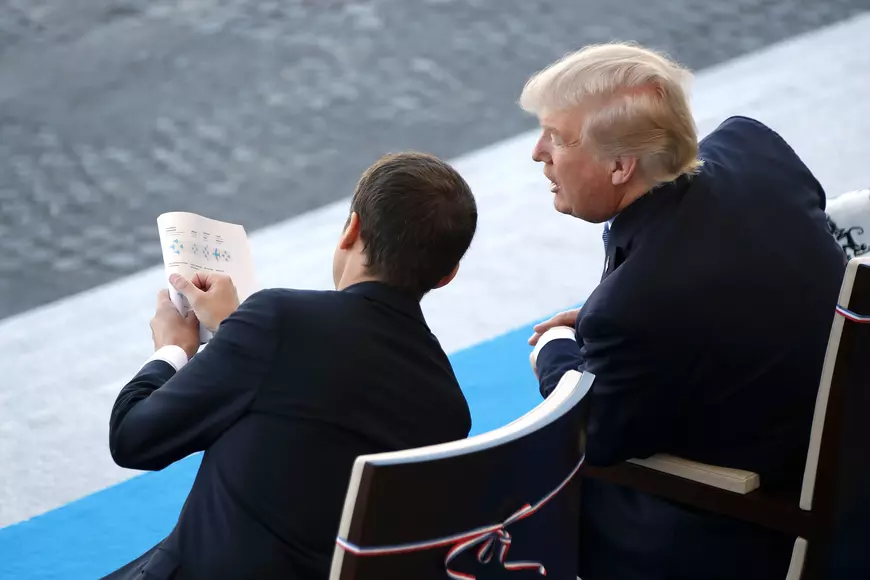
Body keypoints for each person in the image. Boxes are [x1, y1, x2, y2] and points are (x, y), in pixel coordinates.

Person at [522, 43, 846, 579]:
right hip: (840, 442)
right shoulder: (755, 148)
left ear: (621, 165)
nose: (538, 153)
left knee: (531, 502)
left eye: (556, 137)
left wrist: (555, 353)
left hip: (756, 514)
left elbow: (596, 436)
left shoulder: (632, 310)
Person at [102, 152, 478, 580]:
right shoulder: (448, 407)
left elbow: (132, 438)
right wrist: (236, 330)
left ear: (351, 229)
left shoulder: (278, 321)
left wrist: (173, 350)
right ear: (448, 273)